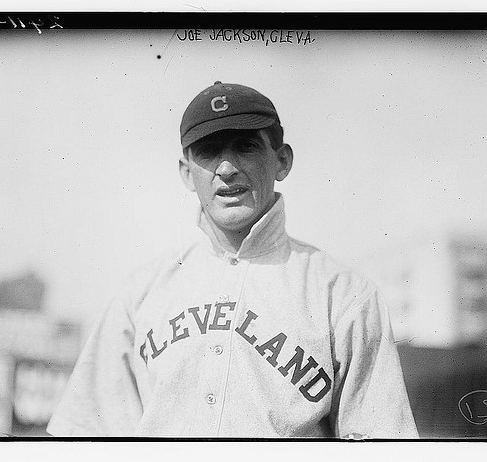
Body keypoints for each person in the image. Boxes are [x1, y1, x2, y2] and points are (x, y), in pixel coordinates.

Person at [47, 81, 418, 438]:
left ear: (282, 161)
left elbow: (380, 444)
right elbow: (88, 437)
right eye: (208, 152)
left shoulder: (344, 296)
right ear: (186, 172)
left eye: (245, 146)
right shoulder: (141, 292)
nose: (226, 169)